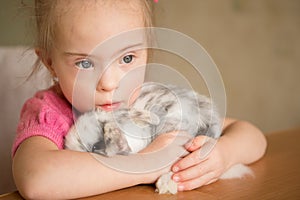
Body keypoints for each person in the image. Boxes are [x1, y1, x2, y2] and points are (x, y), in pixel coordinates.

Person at [12, 0, 267, 199]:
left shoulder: (152, 100)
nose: (110, 84)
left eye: (126, 59)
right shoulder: (50, 112)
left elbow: (251, 135)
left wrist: (224, 154)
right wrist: (148, 163)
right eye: (85, 63)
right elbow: (36, 179)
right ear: (50, 63)